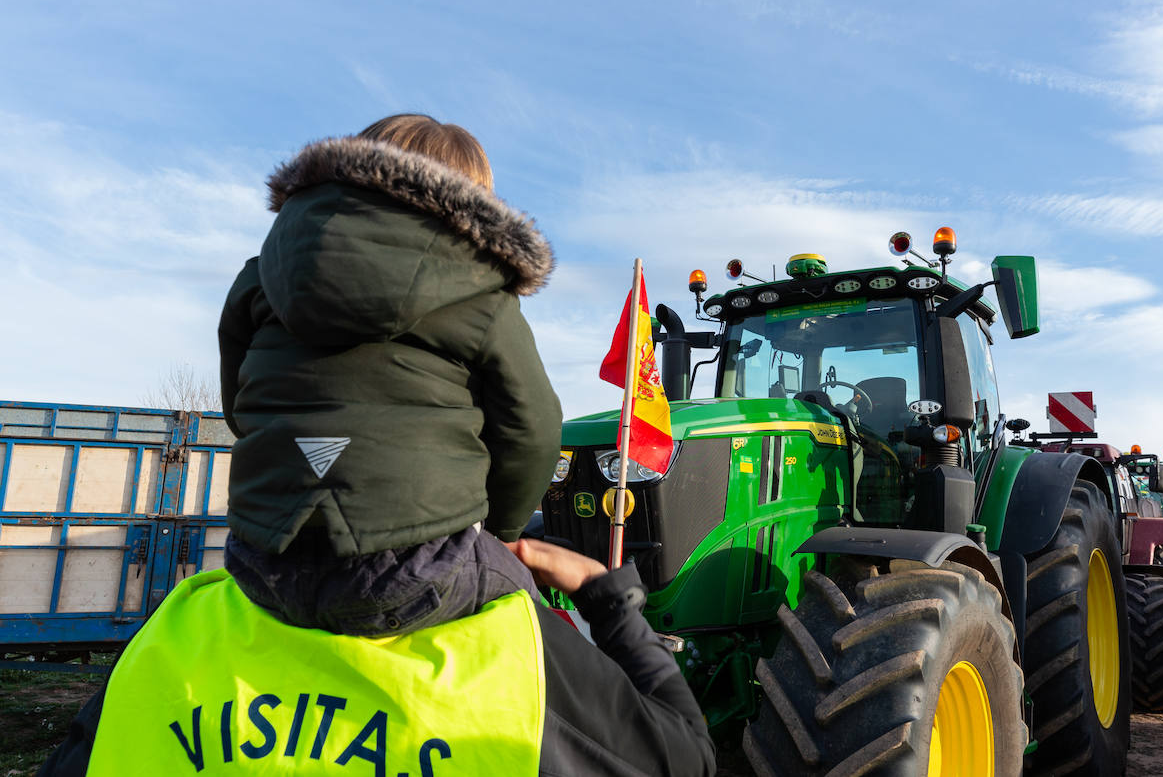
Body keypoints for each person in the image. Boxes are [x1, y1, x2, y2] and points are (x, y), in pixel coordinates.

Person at [39, 115, 715, 776]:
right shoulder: (482, 291)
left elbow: (237, 395)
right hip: (420, 567)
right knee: (514, 596)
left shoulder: (261, 275)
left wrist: (291, 470)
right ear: (471, 206)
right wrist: (506, 535)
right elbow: (530, 431)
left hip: (266, 555)